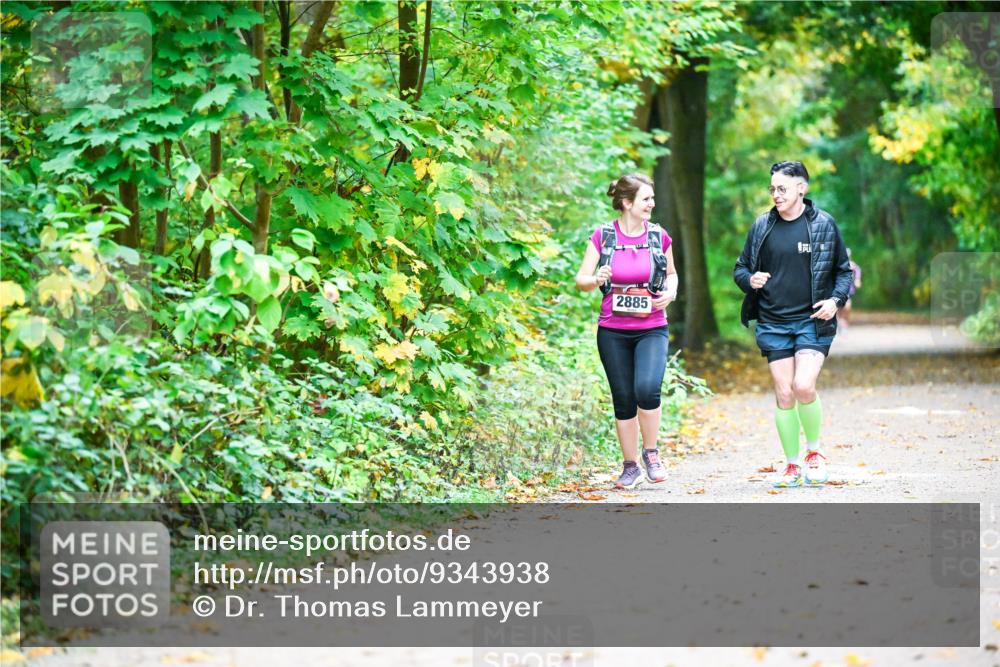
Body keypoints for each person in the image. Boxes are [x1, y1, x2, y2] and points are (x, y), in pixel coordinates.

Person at [733, 161, 853, 488]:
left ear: (802, 188)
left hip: (812, 321)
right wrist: (750, 279)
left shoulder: (824, 225)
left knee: (803, 387)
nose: (775, 194)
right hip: (773, 322)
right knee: (784, 393)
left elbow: (843, 271)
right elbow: (741, 268)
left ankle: (814, 453)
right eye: (772, 189)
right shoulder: (762, 227)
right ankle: (791, 465)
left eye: (782, 188)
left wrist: (835, 301)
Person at [575, 173, 679, 489]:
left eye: (652, 198)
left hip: (651, 328)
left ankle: (652, 454)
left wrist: (671, 293)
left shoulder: (659, 236)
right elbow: (581, 280)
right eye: (646, 199)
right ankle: (630, 466)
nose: (652, 204)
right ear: (626, 203)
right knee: (623, 398)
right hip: (613, 330)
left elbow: (672, 275)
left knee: (647, 389)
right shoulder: (603, 236)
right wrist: (596, 279)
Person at [838, 247, 862, 327]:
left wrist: (857, 280)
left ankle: (845, 323)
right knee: (839, 308)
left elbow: (858, 271)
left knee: (847, 307)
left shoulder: (852, 265)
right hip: (839, 289)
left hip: (849, 289)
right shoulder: (838, 265)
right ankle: (840, 322)